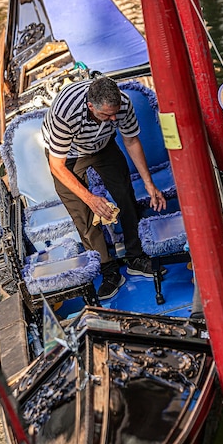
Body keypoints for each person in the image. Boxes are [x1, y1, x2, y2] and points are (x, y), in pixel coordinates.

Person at [41, 75, 166, 300]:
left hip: (103, 145)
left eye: (114, 114)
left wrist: (149, 183)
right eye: (105, 115)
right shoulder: (66, 112)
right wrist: (90, 198)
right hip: (67, 156)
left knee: (125, 194)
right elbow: (56, 166)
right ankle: (109, 271)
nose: (112, 119)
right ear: (90, 106)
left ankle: (135, 257)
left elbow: (131, 140)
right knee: (84, 214)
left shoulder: (122, 105)